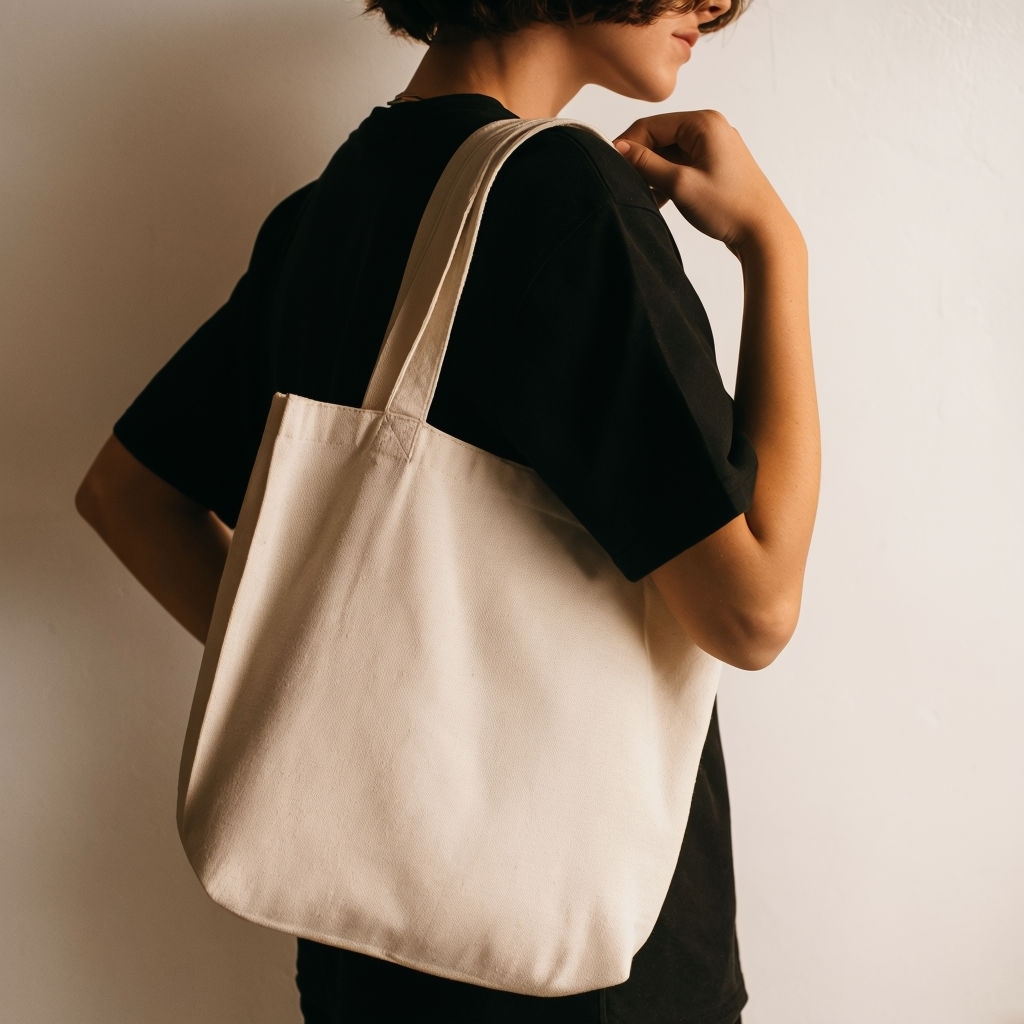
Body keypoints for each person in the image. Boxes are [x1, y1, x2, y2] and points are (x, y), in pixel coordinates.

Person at [76, 0, 819, 1020]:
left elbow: (129, 494)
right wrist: (776, 247)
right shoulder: (562, 196)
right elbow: (754, 608)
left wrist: (339, 691)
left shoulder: (325, 210)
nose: (720, 3)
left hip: (362, 935)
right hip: (577, 954)